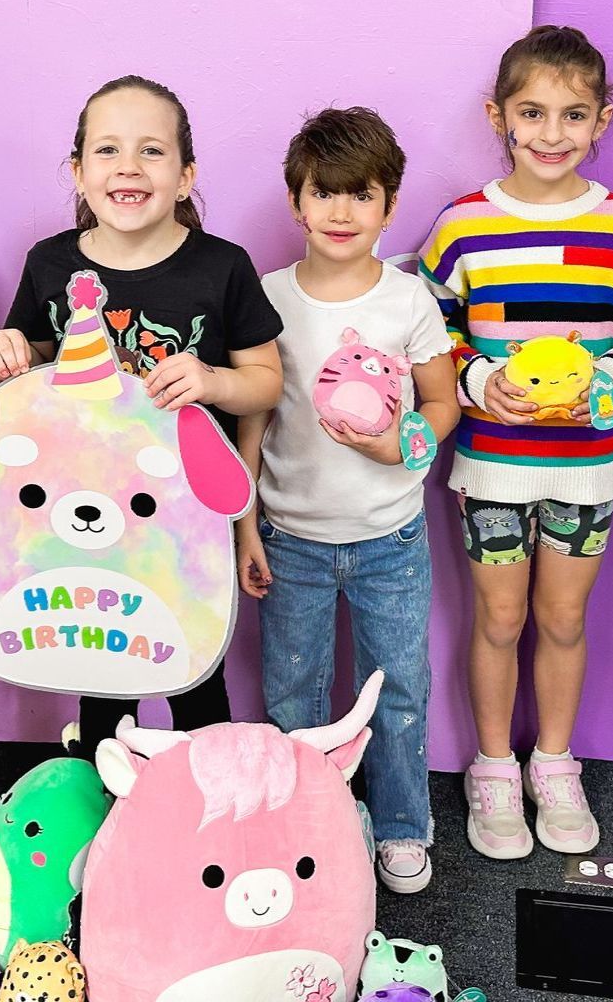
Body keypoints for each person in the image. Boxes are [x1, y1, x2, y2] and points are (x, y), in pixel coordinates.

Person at [420, 25, 613, 859]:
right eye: (533, 113)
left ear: (602, 119)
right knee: (497, 619)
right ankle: (494, 767)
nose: (552, 133)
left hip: (586, 471)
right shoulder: (461, 227)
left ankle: (554, 764)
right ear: (500, 115)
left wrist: (611, 382)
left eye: (574, 115)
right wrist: (473, 384)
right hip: (493, 466)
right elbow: (428, 329)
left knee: (563, 619)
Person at [0, 75, 283, 757]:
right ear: (79, 172)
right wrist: (11, 347)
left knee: (195, 672)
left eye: (152, 151)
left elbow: (266, 384)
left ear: (185, 177)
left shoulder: (223, 267)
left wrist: (210, 380)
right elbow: (33, 358)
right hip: (88, 515)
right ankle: (102, 809)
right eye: (108, 150)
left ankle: (208, 807)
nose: (127, 167)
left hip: (187, 519)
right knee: (103, 673)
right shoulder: (49, 263)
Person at [236, 106, 459, 895]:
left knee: (398, 684)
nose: (340, 212)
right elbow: (254, 417)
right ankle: (309, 821)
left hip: (389, 538)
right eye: (322, 194)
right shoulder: (266, 298)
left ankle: (401, 825)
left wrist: (399, 444)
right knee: (293, 689)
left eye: (360, 195)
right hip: (289, 535)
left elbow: (443, 405)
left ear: (388, 206)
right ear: (296, 200)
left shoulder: (407, 302)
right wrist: (245, 529)